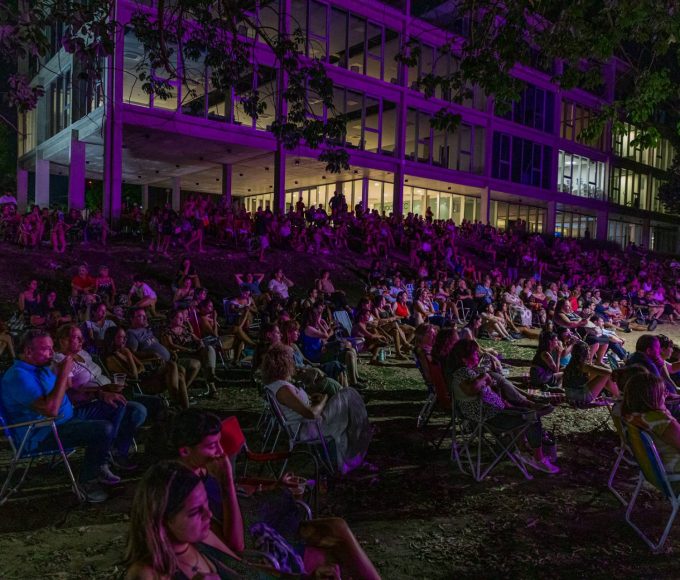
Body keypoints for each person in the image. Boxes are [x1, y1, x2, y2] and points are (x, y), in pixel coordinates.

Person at [170, 410, 380, 579]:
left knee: (337, 526)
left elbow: (241, 493)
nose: (220, 452)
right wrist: (227, 484)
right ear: (185, 451)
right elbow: (234, 546)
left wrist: (271, 486)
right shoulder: (187, 494)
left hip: (263, 517)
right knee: (334, 546)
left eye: (219, 443)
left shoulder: (204, 469)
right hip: (255, 534)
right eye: (211, 446)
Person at [0, 329, 121, 502]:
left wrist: (100, 394)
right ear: (28, 351)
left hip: (68, 418)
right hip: (42, 433)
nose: (52, 353)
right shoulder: (18, 377)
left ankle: (102, 461)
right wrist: (64, 373)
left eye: (52, 348)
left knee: (117, 405)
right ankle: (87, 482)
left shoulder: (41, 367)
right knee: (103, 429)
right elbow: (51, 410)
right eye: (46, 349)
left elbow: (63, 393)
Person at [448, 339, 558, 474]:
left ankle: (523, 449)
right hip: (490, 419)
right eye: (475, 354)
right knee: (532, 418)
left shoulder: (469, 372)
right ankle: (538, 459)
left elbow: (485, 390)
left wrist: (497, 394)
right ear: (464, 359)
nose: (478, 356)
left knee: (526, 412)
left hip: (495, 413)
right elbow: (472, 389)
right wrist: (484, 376)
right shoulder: (462, 373)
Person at [262, 344, 371, 474]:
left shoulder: (278, 385)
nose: (294, 363)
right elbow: (311, 414)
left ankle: (353, 450)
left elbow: (302, 409)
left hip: (307, 423)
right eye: (291, 360)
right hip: (308, 428)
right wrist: (323, 400)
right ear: (284, 364)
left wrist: (314, 401)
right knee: (348, 395)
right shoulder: (283, 389)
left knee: (348, 399)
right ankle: (355, 453)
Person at [53, 324, 147, 468]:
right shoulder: (61, 360)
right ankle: (108, 454)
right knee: (121, 407)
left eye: (81, 337)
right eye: (76, 338)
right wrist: (102, 390)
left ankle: (117, 450)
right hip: (87, 402)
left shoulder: (83, 353)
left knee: (139, 410)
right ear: (63, 340)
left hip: (106, 393)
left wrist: (110, 386)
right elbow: (71, 391)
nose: (82, 341)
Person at [102, 326, 190, 409]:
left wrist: (137, 367)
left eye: (125, 337)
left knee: (179, 375)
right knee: (172, 366)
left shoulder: (124, 350)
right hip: (137, 385)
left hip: (145, 377)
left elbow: (141, 366)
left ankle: (184, 409)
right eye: (121, 337)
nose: (125, 340)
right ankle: (176, 402)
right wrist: (129, 355)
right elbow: (134, 376)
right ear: (112, 339)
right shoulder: (111, 359)